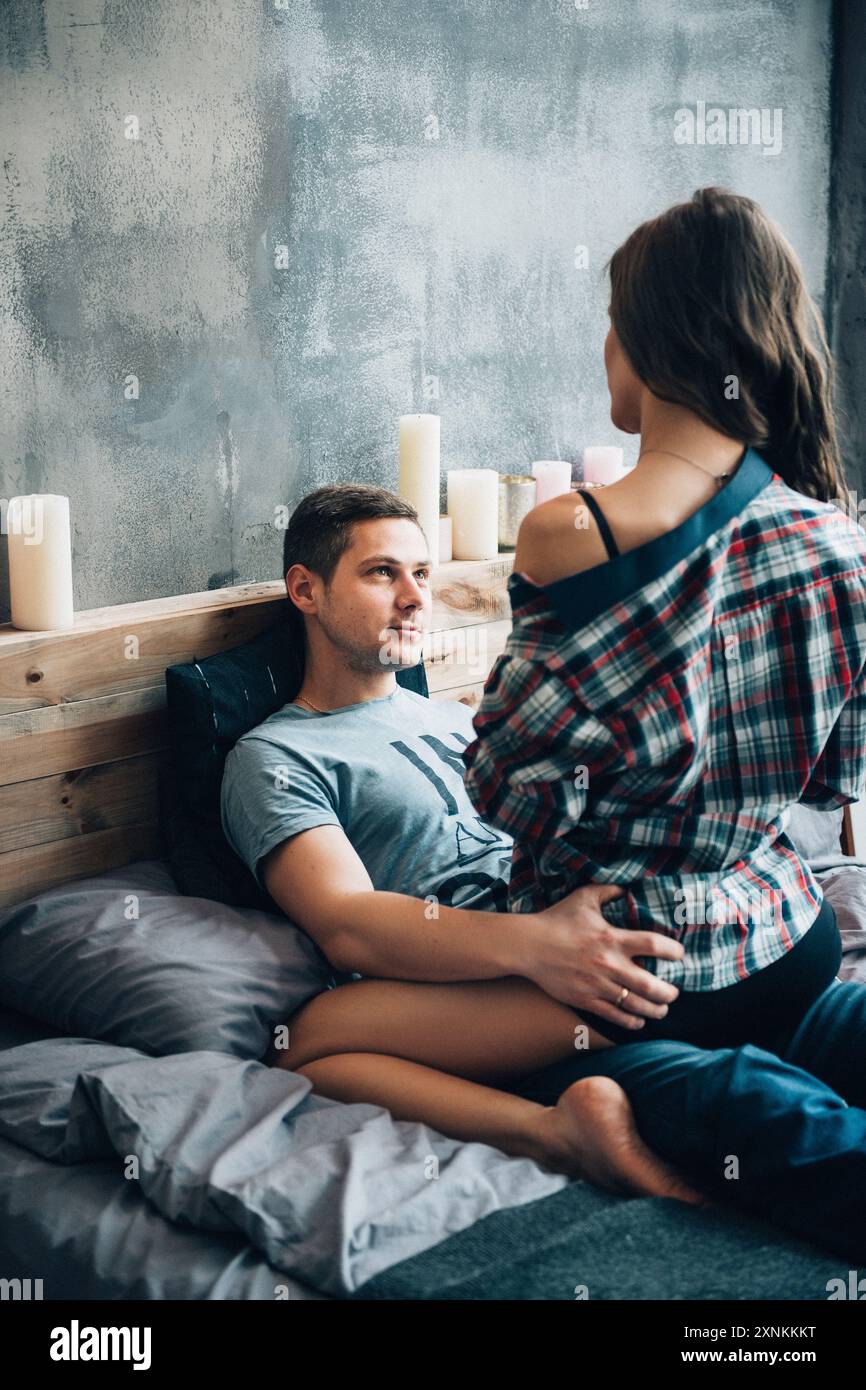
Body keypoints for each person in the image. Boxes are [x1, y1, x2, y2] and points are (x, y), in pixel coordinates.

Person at [221, 480, 866, 1263]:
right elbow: (347, 924)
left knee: (846, 1025)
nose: (413, 596)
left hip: (622, 927)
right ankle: (561, 1131)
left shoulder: (460, 717)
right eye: (381, 573)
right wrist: (534, 943)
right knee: (749, 1104)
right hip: (498, 989)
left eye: (422, 574)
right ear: (305, 591)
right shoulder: (276, 756)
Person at [461, 184, 866, 1063]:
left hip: (628, 968)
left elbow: (507, 794)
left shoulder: (571, 532)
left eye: (613, 319)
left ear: (649, 338)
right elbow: (836, 778)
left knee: (319, 1035)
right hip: (790, 937)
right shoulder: (834, 537)